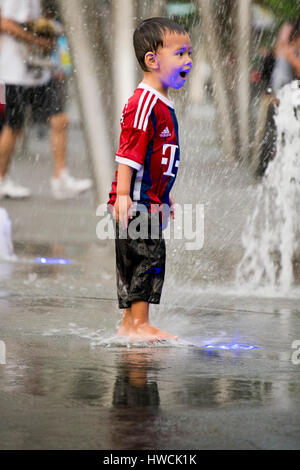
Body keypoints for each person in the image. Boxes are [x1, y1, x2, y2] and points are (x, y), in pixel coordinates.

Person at [107, 17, 192, 342]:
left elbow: (155, 157)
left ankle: (130, 324)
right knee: (148, 259)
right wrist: (125, 194)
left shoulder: (160, 102)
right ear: (152, 60)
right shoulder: (145, 102)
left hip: (147, 200)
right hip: (136, 203)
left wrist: (165, 195)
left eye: (189, 53)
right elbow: (129, 150)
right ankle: (140, 323)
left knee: (135, 259)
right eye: (181, 53)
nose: (189, 60)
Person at [0, 0, 92, 199]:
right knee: (13, 127)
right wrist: (37, 40)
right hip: (15, 71)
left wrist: (48, 33)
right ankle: (1, 179)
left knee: (59, 119)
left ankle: (60, 178)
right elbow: (5, 23)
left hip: (37, 69)